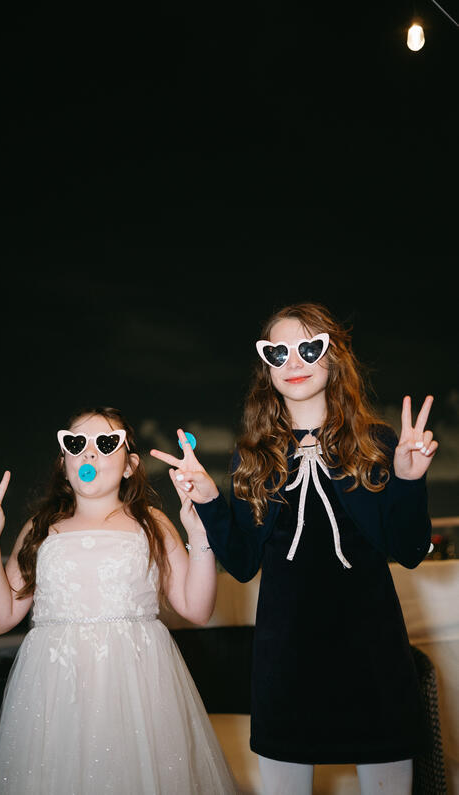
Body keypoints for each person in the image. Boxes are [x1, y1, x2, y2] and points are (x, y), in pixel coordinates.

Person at [150, 302, 438, 795]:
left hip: (373, 650)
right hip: (286, 656)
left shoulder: (377, 442)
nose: (293, 361)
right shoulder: (253, 454)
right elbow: (241, 564)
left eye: (308, 347)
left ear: (334, 357)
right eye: (276, 351)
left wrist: (409, 480)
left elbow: (410, 549)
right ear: (265, 366)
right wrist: (211, 500)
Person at [0, 406, 238, 795]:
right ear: (64, 463)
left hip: (138, 687)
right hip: (54, 689)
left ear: (130, 465)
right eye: (76, 443)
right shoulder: (40, 528)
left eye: (106, 443)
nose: (89, 453)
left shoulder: (153, 522)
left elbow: (197, 608)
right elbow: (0, 617)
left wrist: (201, 535)